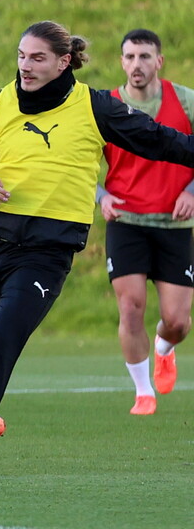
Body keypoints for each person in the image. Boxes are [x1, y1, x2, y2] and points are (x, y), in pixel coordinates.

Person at [0, 20, 194, 475]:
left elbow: (157, 139)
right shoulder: (1, 103)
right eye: (21, 56)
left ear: (63, 62)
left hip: (46, 254)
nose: (25, 66)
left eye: (38, 58)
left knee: (1, 342)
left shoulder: (93, 106)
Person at [97, 29, 193, 415]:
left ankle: (164, 347)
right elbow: (77, 162)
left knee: (178, 321)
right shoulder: (106, 107)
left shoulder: (185, 101)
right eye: (130, 56)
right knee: (131, 306)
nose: (137, 64)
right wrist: (101, 196)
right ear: (122, 62)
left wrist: (191, 191)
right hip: (126, 220)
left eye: (145, 56)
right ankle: (143, 392)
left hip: (175, 224)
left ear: (159, 61)